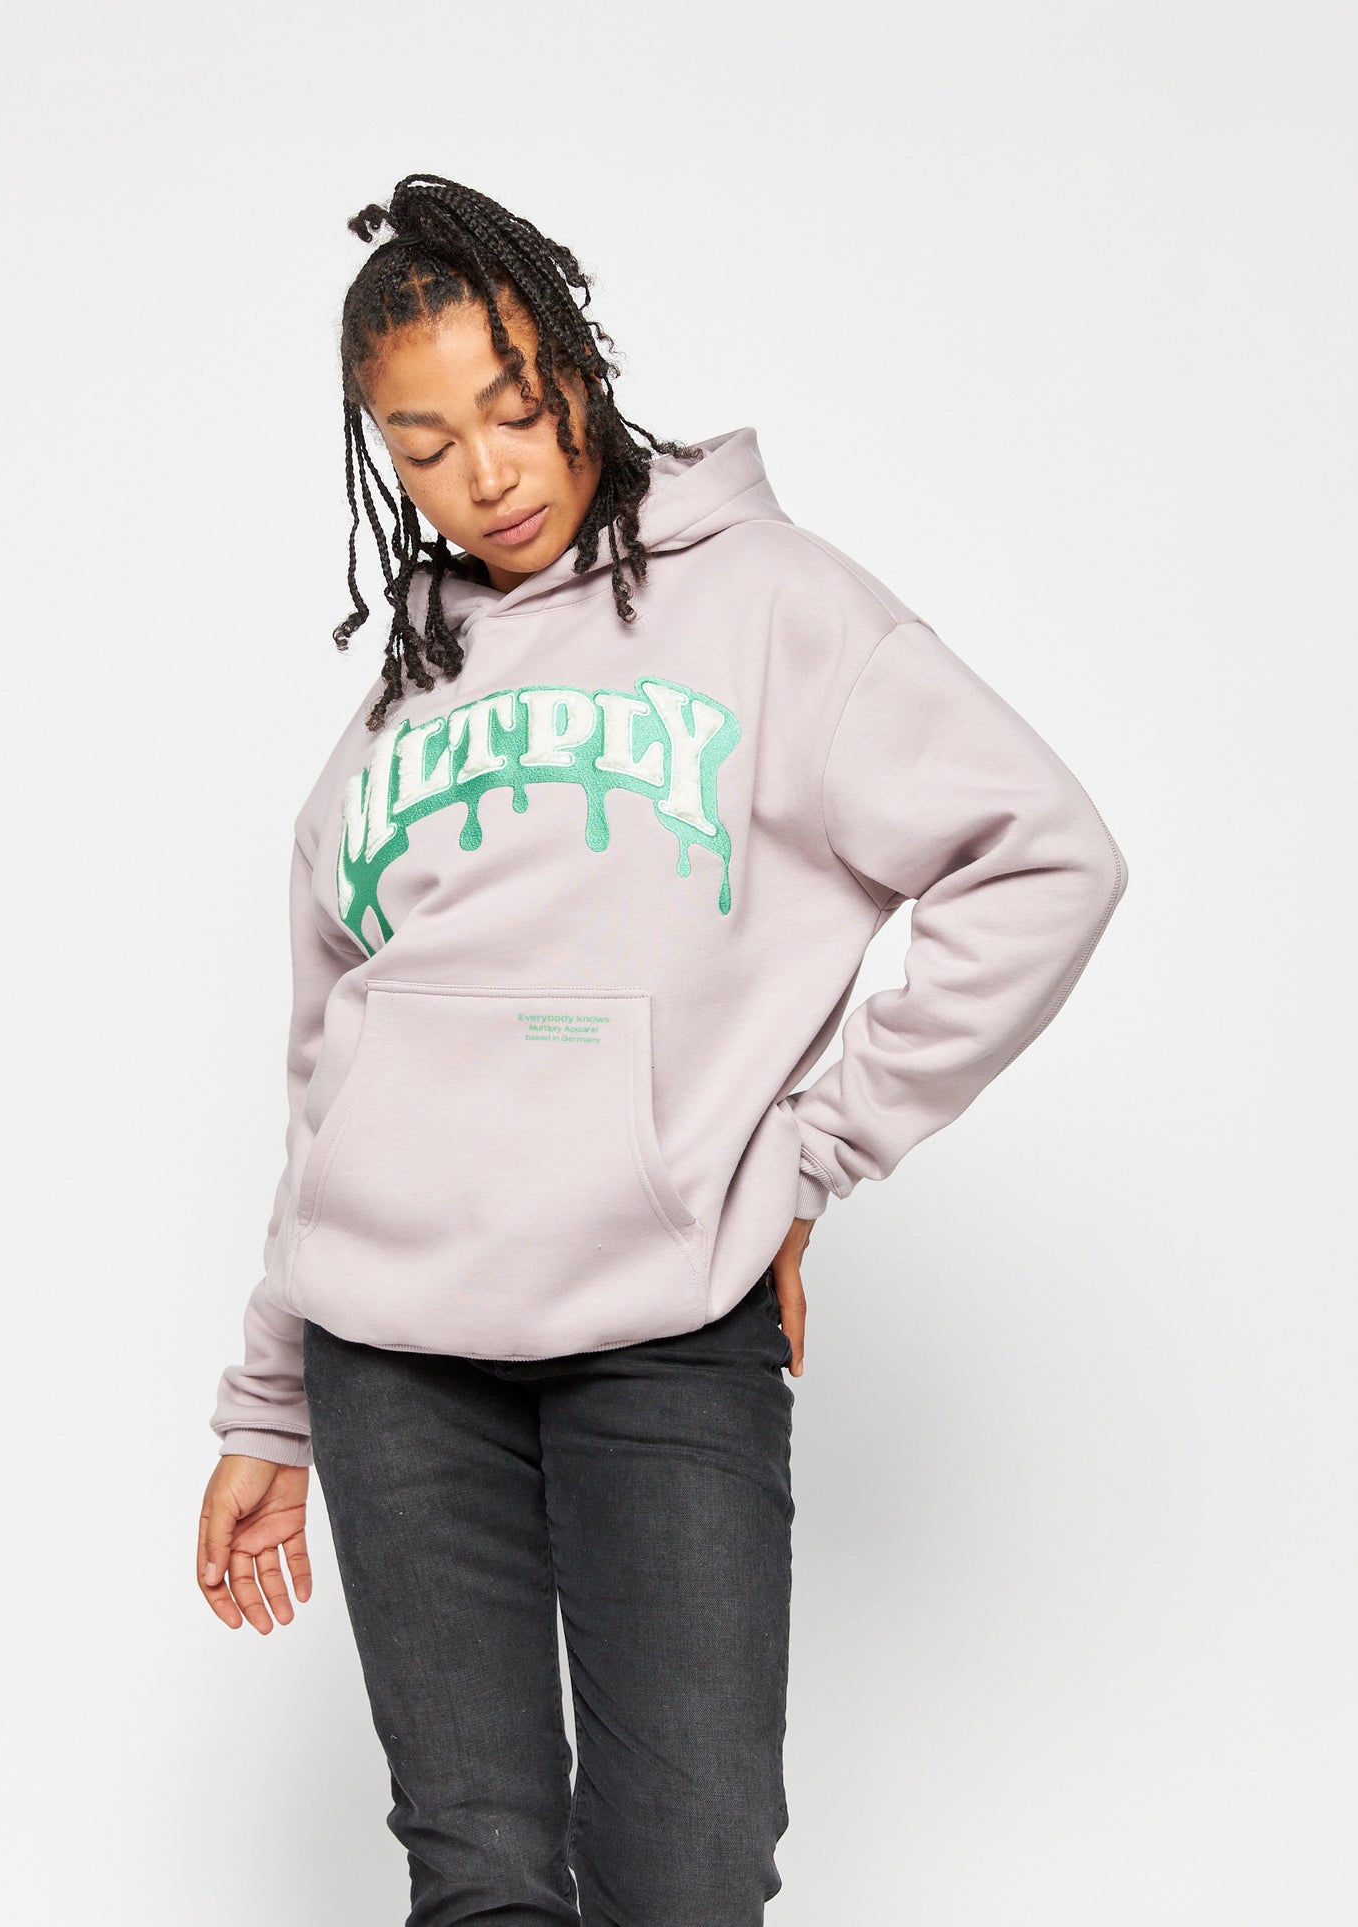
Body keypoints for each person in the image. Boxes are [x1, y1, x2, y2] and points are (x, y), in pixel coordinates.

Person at [196, 172, 1129, 1924]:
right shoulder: (399, 697)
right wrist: (268, 1401)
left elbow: (1041, 859)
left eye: (515, 409)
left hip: (664, 1332)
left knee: (688, 1870)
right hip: (387, 1359)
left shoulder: (771, 605)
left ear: (580, 371)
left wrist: (813, 1153)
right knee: (475, 1872)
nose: (486, 473)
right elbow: (332, 1076)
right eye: (423, 446)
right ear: (381, 462)